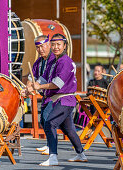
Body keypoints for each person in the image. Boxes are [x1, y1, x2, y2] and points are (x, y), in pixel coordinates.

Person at [33, 33, 87, 166]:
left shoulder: (65, 61)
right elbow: (44, 78)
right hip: (59, 101)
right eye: (53, 44)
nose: (55, 47)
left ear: (64, 46)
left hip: (65, 100)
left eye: (59, 44)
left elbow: (57, 83)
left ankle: (53, 157)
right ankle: (81, 153)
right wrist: (31, 87)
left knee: (50, 123)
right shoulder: (54, 61)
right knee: (69, 130)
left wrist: (39, 86)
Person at [25, 35, 55, 155]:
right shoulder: (38, 62)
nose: (40, 49)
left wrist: (35, 86)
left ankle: (51, 147)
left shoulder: (54, 60)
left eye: (42, 46)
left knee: (48, 119)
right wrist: (27, 89)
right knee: (44, 120)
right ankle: (79, 151)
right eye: (38, 47)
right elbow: (30, 78)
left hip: (57, 95)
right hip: (46, 96)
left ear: (48, 45)